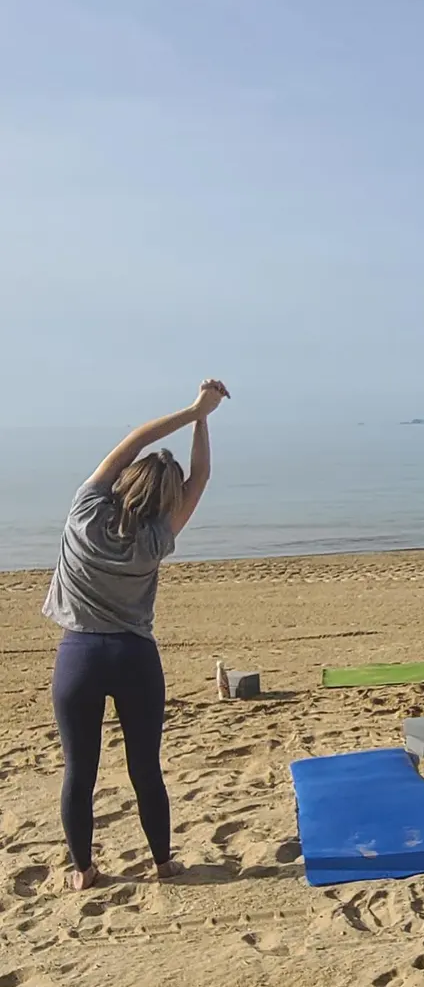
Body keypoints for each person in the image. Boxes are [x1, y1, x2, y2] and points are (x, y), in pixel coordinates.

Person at [43, 380, 231, 889]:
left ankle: (84, 872)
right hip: (134, 659)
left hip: (79, 657)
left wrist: (191, 408)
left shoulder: (84, 513)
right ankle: (164, 863)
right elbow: (202, 477)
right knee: (145, 766)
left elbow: (135, 440)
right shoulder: (156, 539)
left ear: (125, 481)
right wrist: (205, 419)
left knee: (79, 772)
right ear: (165, 498)